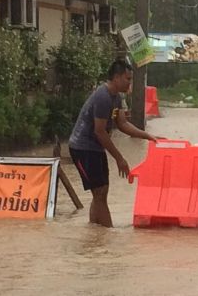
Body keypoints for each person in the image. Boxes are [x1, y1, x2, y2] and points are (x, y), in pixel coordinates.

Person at [68, 59, 162, 227]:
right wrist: (120, 158)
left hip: (94, 148)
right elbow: (100, 131)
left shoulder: (116, 98)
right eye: (128, 79)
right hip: (82, 148)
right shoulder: (103, 97)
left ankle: (95, 231)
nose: (130, 83)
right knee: (99, 192)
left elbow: (123, 124)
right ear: (117, 77)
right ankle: (107, 233)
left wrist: (147, 136)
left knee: (101, 192)